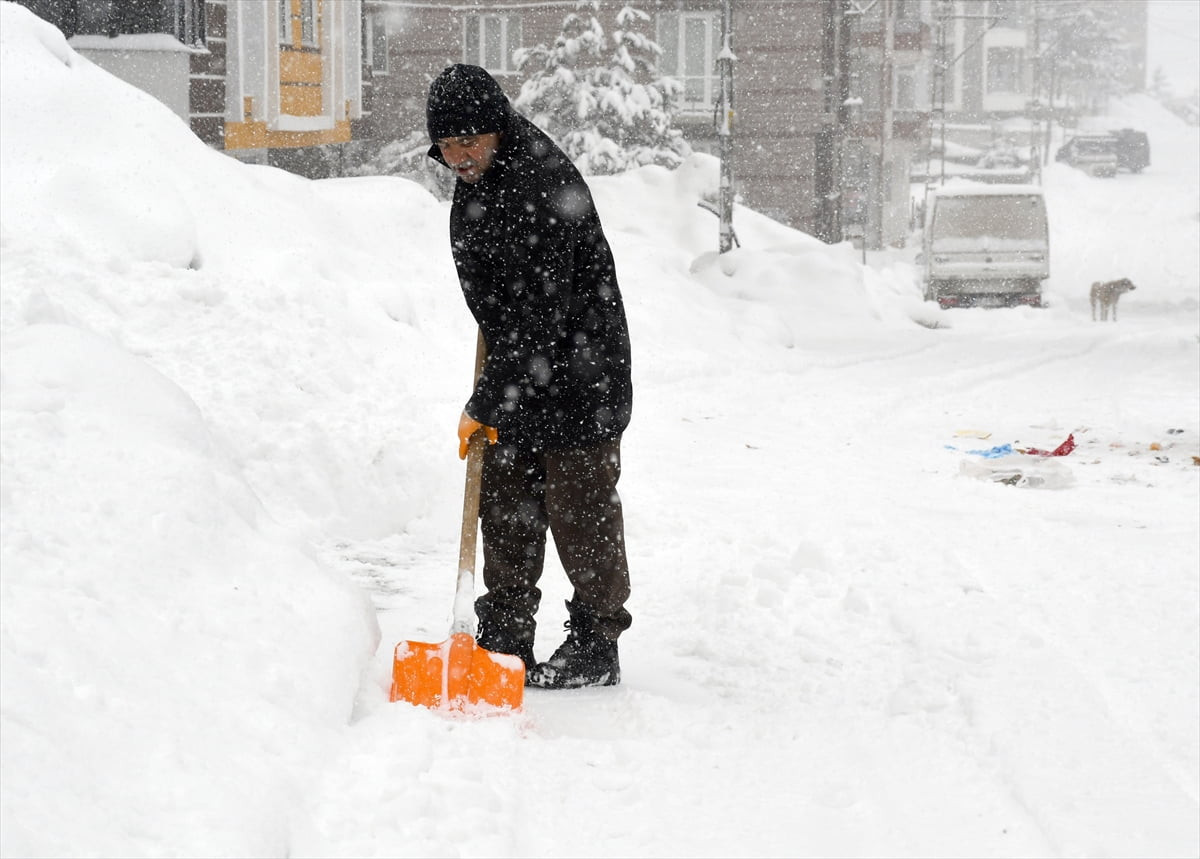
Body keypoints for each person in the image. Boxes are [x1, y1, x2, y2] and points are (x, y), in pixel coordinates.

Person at [426, 64, 633, 689]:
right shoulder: (484, 175)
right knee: (507, 502)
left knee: (580, 509)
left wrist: (485, 402)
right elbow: (504, 303)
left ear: (496, 130)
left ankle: (597, 643)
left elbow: (537, 316)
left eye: (470, 141)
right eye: (447, 144)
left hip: (579, 377)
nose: (459, 156)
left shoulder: (542, 184)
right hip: (522, 369)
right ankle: (506, 633)